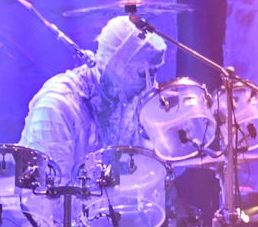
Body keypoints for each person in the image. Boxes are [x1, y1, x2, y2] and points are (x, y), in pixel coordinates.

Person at [20, 15, 168, 179]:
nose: (148, 84)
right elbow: (49, 187)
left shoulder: (131, 98)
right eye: (142, 73)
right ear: (115, 65)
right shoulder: (58, 105)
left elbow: (148, 167)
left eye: (153, 73)